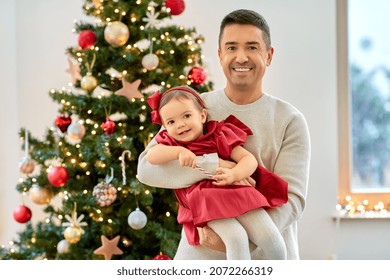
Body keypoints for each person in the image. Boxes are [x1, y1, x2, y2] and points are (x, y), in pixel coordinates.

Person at [137, 9, 311, 260]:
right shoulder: (192, 108)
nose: (241, 57)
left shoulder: (290, 119)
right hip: (199, 258)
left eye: (252, 47)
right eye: (231, 48)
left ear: (269, 55)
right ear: (220, 55)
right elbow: (147, 168)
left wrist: (241, 240)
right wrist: (217, 165)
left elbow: (292, 200)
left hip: (265, 257)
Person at [145, 86, 288, 260]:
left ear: (202, 115)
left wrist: (235, 174)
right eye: (171, 122)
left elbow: (248, 160)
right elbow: (151, 156)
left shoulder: (218, 134)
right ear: (165, 127)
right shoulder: (171, 143)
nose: (180, 124)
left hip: (235, 189)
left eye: (186, 116)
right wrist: (178, 152)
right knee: (236, 238)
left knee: (272, 240)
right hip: (205, 202)